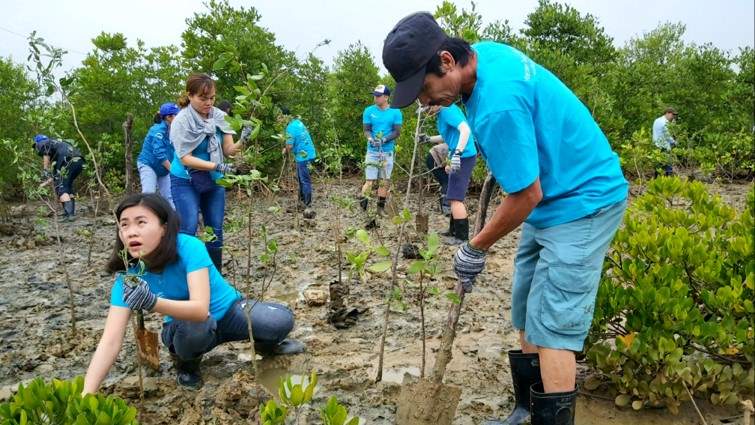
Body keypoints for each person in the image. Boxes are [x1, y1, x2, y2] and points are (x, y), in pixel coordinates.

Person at [382, 13, 628, 425]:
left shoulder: (498, 104)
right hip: (551, 197)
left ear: (446, 61)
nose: (424, 103)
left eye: (424, 90)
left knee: (552, 326)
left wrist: (475, 246)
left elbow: (526, 194)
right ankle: (526, 411)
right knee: (525, 309)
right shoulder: (486, 54)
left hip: (584, 200)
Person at [82, 194, 302, 393]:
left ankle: (266, 344)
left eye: (141, 222)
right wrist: (86, 393)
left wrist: (152, 302)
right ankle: (187, 364)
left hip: (229, 311)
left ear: (164, 227)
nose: (131, 231)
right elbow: (110, 340)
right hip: (186, 328)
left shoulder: (189, 246)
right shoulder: (128, 278)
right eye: (124, 225)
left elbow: (199, 307)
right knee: (196, 326)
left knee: (280, 320)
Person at [169, 73, 244, 273]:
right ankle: (183, 274)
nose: (208, 103)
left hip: (213, 180)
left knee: (215, 229)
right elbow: (186, 157)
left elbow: (228, 150)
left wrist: (243, 139)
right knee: (189, 227)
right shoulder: (182, 121)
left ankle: (215, 277)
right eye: (203, 98)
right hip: (185, 178)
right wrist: (217, 166)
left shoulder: (219, 116)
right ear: (190, 96)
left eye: (212, 98)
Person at [427, 104, 478, 244]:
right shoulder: (442, 112)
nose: (428, 112)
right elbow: (449, 135)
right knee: (452, 195)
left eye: (428, 108)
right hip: (457, 155)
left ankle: (461, 238)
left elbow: (465, 130)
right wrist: (428, 139)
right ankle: (453, 231)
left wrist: (457, 153)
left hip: (464, 156)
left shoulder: (447, 111)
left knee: (455, 198)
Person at [359, 84, 403, 214]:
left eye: (378, 96)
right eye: (374, 96)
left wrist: (384, 140)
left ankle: (380, 209)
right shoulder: (368, 110)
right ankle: (363, 209)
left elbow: (397, 132)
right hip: (372, 151)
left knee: (384, 181)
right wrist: (371, 139)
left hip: (387, 151)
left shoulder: (396, 111)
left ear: (386, 97)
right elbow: (366, 130)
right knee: (369, 181)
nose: (375, 98)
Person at [32, 134, 85, 221]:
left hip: (68, 160)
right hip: (79, 161)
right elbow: (55, 177)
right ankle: (69, 213)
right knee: (67, 186)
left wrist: (45, 170)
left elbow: (46, 153)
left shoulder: (44, 142)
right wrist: (43, 185)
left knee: (61, 188)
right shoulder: (58, 146)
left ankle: (69, 215)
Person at [137, 102, 179, 208]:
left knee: (169, 196)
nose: (175, 117)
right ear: (167, 117)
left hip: (163, 168)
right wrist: (172, 169)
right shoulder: (157, 130)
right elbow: (158, 152)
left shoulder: (175, 130)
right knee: (148, 193)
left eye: (176, 114)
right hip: (148, 164)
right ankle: (144, 219)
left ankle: (174, 222)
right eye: (172, 115)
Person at [280, 106, 317, 209]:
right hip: (310, 153)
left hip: (303, 156)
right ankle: (301, 202)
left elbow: (290, 146)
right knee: (301, 179)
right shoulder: (298, 122)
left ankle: (307, 204)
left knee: (304, 180)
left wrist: (285, 150)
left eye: (279, 117)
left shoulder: (290, 127)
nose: (279, 120)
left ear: (284, 117)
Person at [424, 140, 451, 216]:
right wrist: (449, 163)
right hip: (434, 158)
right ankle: (446, 208)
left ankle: (445, 207)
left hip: (440, 158)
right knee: (447, 182)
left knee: (447, 182)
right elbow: (454, 152)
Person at [652, 107, 677, 177]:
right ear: (667, 113)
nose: (673, 117)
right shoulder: (665, 122)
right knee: (668, 166)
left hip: (656, 145)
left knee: (658, 165)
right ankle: (668, 182)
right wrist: (674, 142)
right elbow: (667, 135)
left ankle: (656, 181)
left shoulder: (657, 120)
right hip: (664, 146)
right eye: (672, 115)